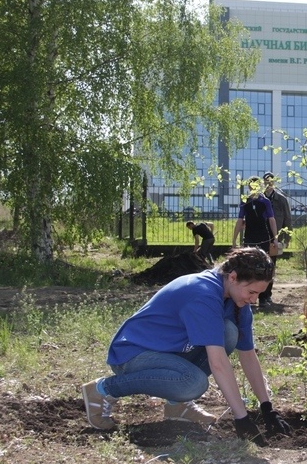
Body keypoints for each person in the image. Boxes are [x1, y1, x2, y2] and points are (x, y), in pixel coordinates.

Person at [81, 247, 290, 446]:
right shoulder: (203, 293)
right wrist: (241, 417)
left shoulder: (236, 301)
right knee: (193, 383)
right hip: (133, 355)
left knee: (229, 332)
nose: (254, 300)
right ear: (233, 277)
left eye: (258, 295)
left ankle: (177, 405)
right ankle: (102, 390)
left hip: (168, 354)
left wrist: (267, 407)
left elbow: (248, 355)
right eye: (252, 292)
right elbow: (218, 363)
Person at [232, 177, 279, 308]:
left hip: (263, 237)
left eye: (256, 185)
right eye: (251, 185)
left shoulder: (265, 201)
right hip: (249, 238)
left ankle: (264, 297)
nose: (253, 187)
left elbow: (272, 219)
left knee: (265, 266)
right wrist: (234, 239)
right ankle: (247, 295)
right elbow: (240, 220)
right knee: (248, 266)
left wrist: (275, 237)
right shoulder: (245, 201)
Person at [261, 171, 292, 307]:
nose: (268, 183)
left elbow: (287, 219)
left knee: (270, 267)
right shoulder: (259, 198)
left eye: (270, 181)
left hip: (274, 239)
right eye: (266, 181)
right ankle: (260, 295)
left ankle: (267, 295)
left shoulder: (281, 199)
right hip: (260, 238)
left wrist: (287, 238)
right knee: (259, 267)